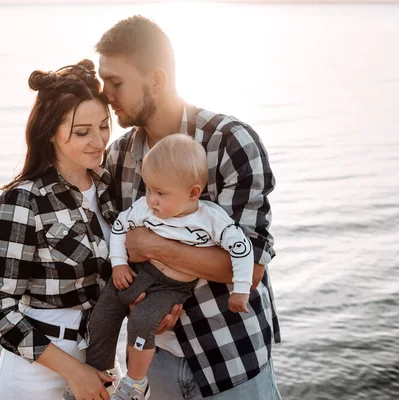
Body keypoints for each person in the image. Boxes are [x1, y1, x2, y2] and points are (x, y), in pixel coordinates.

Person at [98, 16, 282, 399]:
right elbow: (119, 258)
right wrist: (139, 305)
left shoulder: (231, 143)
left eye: (115, 82)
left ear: (157, 79)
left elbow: (248, 270)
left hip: (230, 357)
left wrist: (151, 246)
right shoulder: (117, 157)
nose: (105, 94)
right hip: (157, 360)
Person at [0, 59, 121, 400]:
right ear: (51, 132)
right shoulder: (23, 201)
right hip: (39, 373)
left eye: (104, 126)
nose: (98, 141)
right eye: (82, 132)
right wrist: (75, 372)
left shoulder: (108, 186)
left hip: (103, 357)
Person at [83, 134, 254, 400]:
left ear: (193, 193)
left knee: (142, 320)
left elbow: (242, 250)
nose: (151, 199)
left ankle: (136, 383)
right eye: (149, 189)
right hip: (141, 273)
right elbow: (119, 227)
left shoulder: (211, 219)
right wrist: (119, 265)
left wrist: (240, 291)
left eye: (161, 193)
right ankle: (97, 371)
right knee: (104, 309)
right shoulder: (146, 208)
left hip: (173, 288)